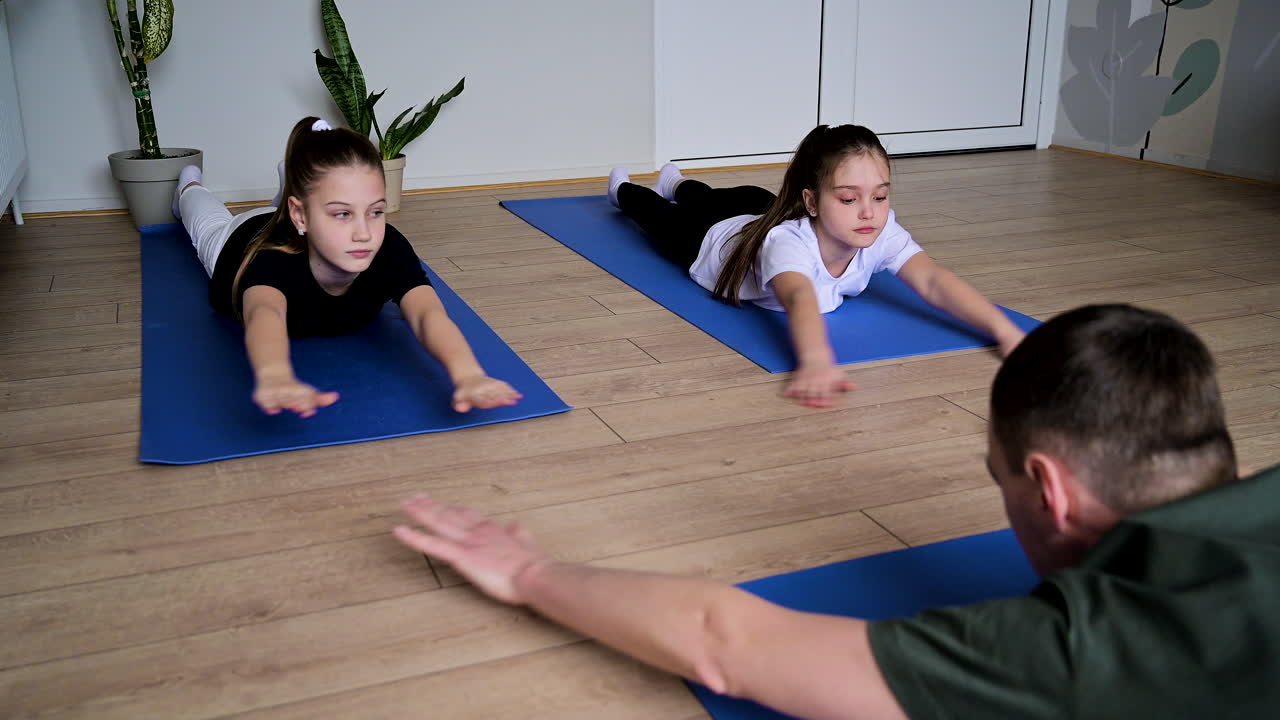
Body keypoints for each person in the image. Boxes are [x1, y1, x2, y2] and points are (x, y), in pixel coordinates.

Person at [392, 304, 1280, 719]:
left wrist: (529, 571)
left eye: (998, 479)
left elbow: (724, 645)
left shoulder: (1085, 649)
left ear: (1047, 489)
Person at [607, 124, 1026, 407]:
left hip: (757, 217)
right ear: (812, 202)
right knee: (659, 217)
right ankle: (625, 189)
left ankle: (677, 182)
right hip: (708, 242)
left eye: (879, 196)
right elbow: (800, 297)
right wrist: (816, 360)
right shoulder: (788, 243)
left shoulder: (878, 231)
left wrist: (1004, 330)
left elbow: (934, 281)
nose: (868, 212)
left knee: (736, 194)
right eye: (849, 199)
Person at [172, 116, 522, 418]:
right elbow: (265, 314)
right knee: (204, 221)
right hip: (241, 237)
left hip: (299, 216)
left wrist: (468, 374)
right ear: (301, 215)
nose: (364, 233)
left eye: (376, 211)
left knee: (330, 216)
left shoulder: (388, 247)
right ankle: (189, 186)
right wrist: (275, 374)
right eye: (342, 213)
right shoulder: (271, 260)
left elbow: (427, 313)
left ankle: (293, 187)